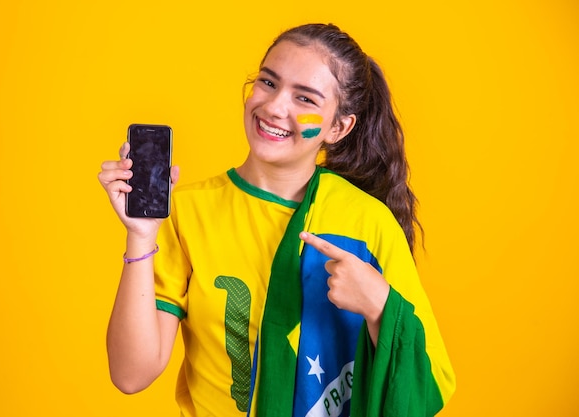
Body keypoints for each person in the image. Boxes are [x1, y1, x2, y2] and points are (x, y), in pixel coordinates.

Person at [98, 23, 456, 417]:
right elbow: (131, 375)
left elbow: (432, 381)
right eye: (268, 82)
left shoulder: (368, 221)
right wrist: (140, 236)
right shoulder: (188, 210)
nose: (273, 106)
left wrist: (379, 306)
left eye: (305, 97)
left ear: (338, 127)